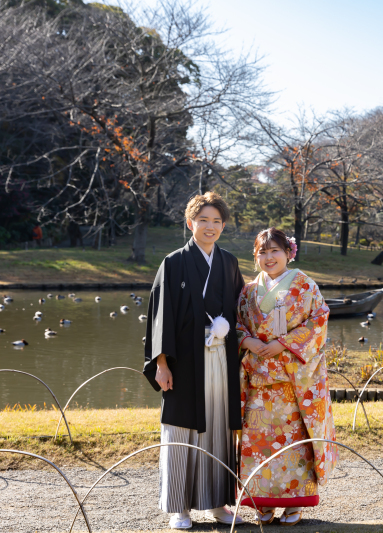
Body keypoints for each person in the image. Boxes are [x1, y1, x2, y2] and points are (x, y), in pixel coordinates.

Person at [143, 192, 246, 530]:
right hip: (184, 360)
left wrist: (230, 326)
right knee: (181, 429)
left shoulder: (229, 262)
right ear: (190, 223)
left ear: (223, 225)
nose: (210, 226)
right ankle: (179, 508)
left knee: (218, 426)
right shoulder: (173, 263)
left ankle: (217, 503)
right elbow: (161, 316)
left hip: (220, 356)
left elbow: (240, 307)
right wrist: (161, 363)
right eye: (203, 220)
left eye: (217, 221)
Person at [236, 227, 337, 526]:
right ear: (256, 257)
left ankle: (295, 503)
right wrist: (248, 342)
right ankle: (262, 501)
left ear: (288, 253)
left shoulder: (305, 286)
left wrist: (282, 343)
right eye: (262, 252)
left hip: (293, 383)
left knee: (294, 443)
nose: (269, 258)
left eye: (274, 251)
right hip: (259, 382)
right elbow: (237, 322)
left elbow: (318, 321)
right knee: (258, 442)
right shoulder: (249, 291)